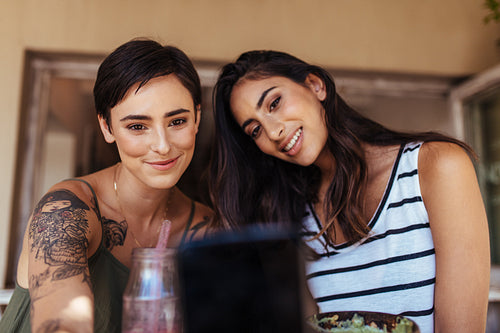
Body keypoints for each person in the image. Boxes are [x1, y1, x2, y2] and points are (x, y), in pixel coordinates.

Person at [209, 50, 490, 332]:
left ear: (315, 85)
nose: (273, 132)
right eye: (255, 129)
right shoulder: (293, 218)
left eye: (275, 103)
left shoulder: (435, 166)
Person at [0, 38, 213, 333]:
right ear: (107, 127)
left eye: (177, 121)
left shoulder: (208, 228)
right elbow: (63, 324)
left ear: (197, 118)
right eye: (138, 126)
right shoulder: (65, 209)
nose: (162, 146)